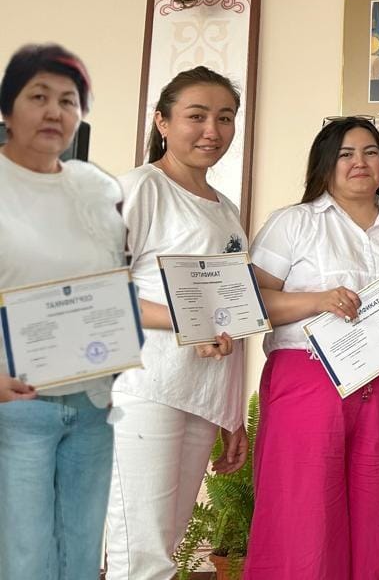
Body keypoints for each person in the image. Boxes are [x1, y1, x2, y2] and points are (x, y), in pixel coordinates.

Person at [242, 116, 379, 580]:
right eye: (346, 154)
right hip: (307, 381)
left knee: (369, 512)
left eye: (370, 152)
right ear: (326, 164)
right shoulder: (294, 222)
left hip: (376, 387)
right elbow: (249, 301)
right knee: (303, 515)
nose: (359, 162)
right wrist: (318, 301)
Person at [104, 67, 249, 580]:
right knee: (140, 552)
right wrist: (189, 324)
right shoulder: (140, 188)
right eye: (197, 116)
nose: (213, 130)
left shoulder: (225, 208)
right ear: (162, 122)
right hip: (146, 388)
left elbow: (231, 311)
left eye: (225, 118)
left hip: (201, 394)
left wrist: (232, 412)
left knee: (166, 544)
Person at [0, 44, 127, 580]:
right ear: (8, 109)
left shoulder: (93, 188)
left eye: (68, 100)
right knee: (24, 556)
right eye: (39, 96)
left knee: (80, 553)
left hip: (92, 402)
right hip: (18, 404)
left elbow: (111, 282)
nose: (55, 111)